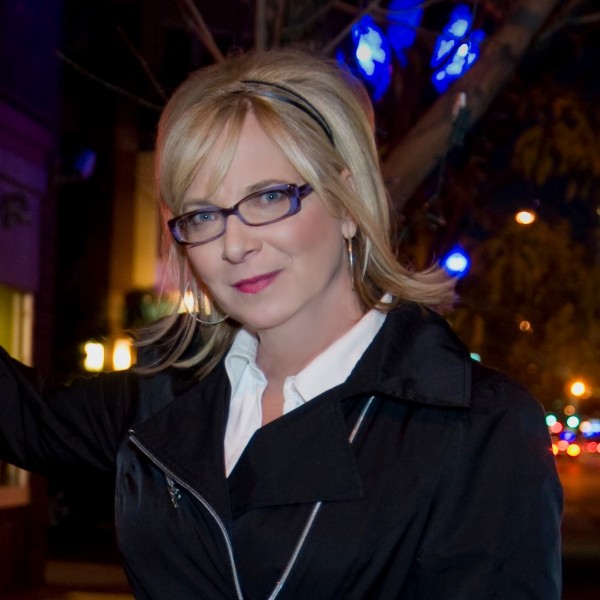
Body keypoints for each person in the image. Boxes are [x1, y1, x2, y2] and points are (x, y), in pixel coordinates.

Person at [0, 48, 562, 599]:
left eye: (268, 197)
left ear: (347, 201)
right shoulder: (164, 398)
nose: (235, 245)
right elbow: (18, 414)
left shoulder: (476, 427)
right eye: (203, 214)